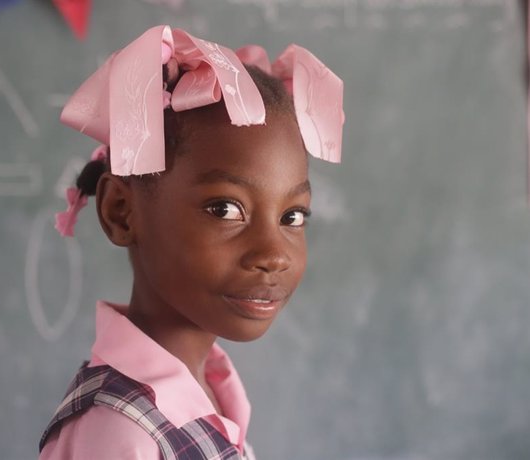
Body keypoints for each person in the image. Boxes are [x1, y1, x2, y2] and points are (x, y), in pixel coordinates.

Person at [39, 25, 344, 460]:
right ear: (121, 211)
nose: (274, 254)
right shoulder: (115, 432)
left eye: (292, 216)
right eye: (225, 209)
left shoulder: (206, 391)